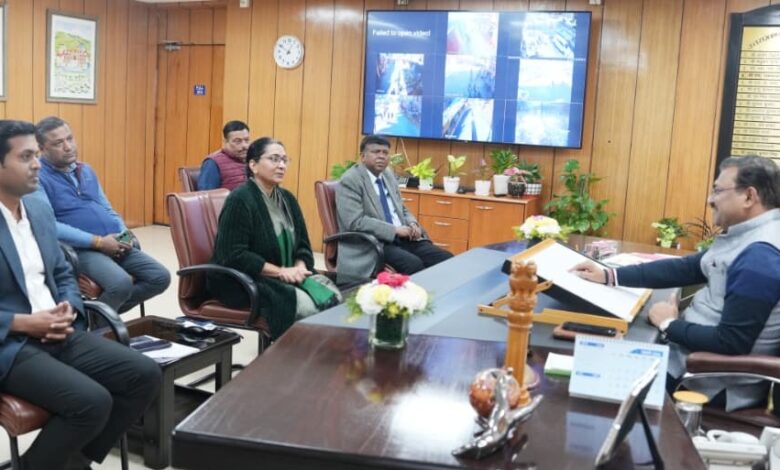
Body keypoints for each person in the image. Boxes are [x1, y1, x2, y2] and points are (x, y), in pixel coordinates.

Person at [0, 119, 161, 470]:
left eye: (36, 155)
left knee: (145, 374)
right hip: (11, 345)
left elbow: (62, 271)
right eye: (25, 157)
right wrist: (23, 323)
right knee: (92, 401)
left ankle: (71, 461)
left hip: (60, 331)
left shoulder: (37, 209)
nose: (37, 165)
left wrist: (70, 308)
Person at [572, 155, 780, 412]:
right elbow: (688, 268)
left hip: (703, 380)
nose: (710, 199)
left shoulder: (760, 257)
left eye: (718, 191)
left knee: (588, 377)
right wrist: (610, 275)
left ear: (749, 196)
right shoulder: (752, 236)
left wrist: (668, 324)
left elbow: (731, 342)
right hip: (687, 358)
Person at [31, 116, 171, 314]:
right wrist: (98, 242)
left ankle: (95, 318)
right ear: (41, 148)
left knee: (160, 277)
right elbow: (50, 225)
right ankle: (100, 325)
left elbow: (106, 208)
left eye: (70, 139)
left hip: (114, 242)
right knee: (120, 284)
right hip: (80, 249)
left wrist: (124, 234)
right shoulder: (37, 178)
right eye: (58, 143)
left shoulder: (86, 170)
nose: (68, 147)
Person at [209, 137, 340, 339]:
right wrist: (281, 272)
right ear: (253, 165)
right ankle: (292, 356)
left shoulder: (287, 198)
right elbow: (233, 255)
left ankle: (318, 353)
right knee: (308, 308)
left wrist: (299, 267)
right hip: (244, 281)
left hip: (286, 274)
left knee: (333, 298)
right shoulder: (240, 200)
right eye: (274, 159)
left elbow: (303, 245)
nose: (281, 165)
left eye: (284, 160)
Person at [336, 134, 453, 280]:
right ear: (363, 157)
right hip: (374, 244)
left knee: (446, 259)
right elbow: (355, 221)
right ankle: (417, 295)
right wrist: (394, 230)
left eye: (385, 153)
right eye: (376, 152)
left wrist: (412, 223)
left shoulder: (388, 174)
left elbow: (401, 207)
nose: (381, 156)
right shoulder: (350, 180)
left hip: (404, 239)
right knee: (413, 265)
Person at [197, 120, 251, 191]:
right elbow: (206, 194)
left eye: (246, 140)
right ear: (225, 141)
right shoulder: (212, 162)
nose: (245, 146)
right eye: (238, 141)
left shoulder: (253, 160)